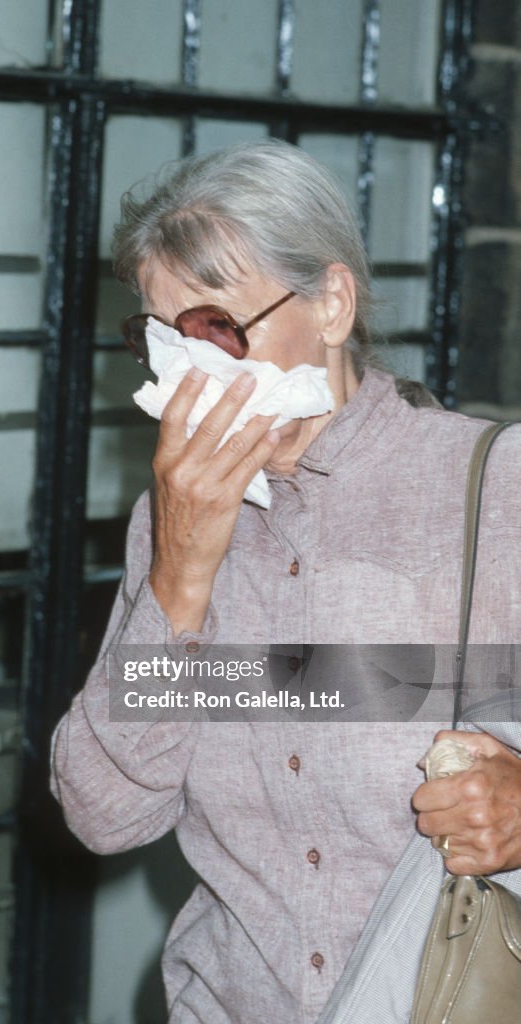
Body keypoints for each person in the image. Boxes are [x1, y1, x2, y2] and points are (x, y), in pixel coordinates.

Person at [50, 140, 521, 1023]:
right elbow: (104, 812)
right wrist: (181, 577)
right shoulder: (177, 515)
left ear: (332, 304)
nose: (188, 374)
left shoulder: (494, 489)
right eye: (161, 338)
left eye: (217, 330)